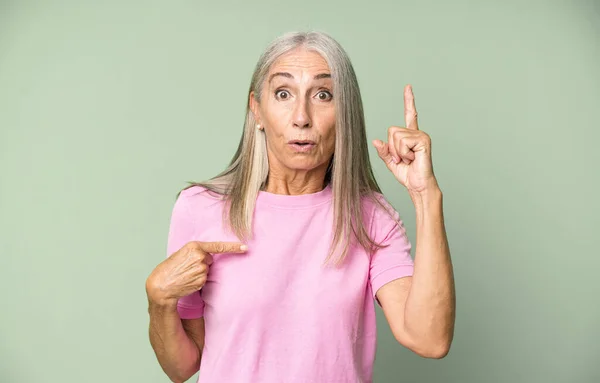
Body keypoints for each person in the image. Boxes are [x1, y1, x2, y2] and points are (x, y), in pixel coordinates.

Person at [145, 31, 455, 383]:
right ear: (257, 110)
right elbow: (181, 367)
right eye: (283, 94)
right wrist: (159, 300)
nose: (302, 117)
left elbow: (429, 339)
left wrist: (425, 194)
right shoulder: (200, 209)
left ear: (345, 115)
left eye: (323, 95)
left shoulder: (370, 217)